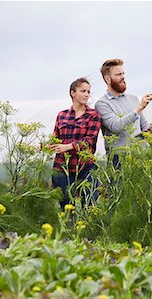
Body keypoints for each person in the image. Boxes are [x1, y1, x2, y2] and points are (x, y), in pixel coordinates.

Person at [95, 58, 152, 167]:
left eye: (123, 73)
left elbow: (143, 127)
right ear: (108, 79)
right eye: (118, 74)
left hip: (140, 154)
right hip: (119, 158)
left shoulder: (133, 99)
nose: (123, 77)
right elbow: (116, 126)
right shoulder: (102, 104)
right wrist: (139, 108)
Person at [50, 77, 102, 210]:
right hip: (62, 167)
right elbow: (56, 138)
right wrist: (48, 146)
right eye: (83, 91)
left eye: (88, 92)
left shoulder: (93, 115)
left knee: (90, 204)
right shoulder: (61, 115)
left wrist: (67, 147)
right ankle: (69, 230)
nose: (86, 94)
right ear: (73, 93)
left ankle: (88, 230)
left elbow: (90, 140)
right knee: (66, 207)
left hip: (85, 167)